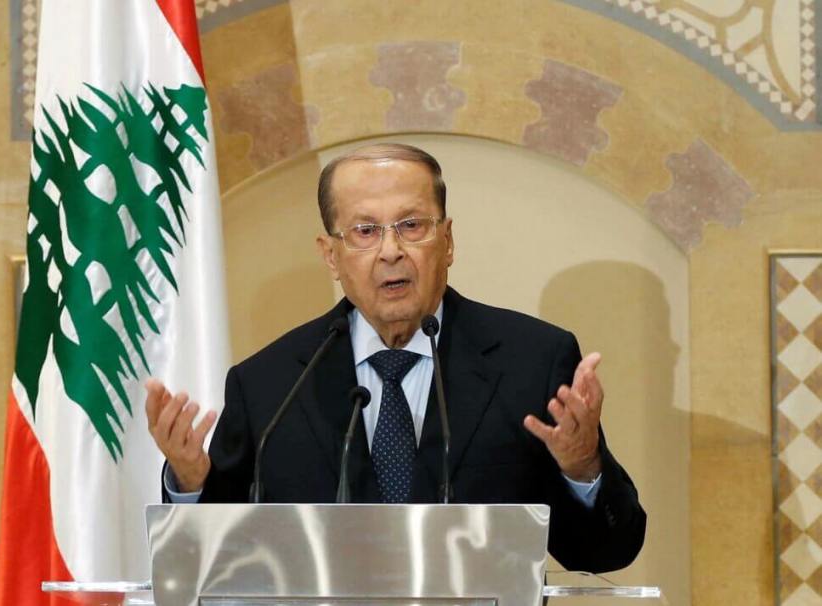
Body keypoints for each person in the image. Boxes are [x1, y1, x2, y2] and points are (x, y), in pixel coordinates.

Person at [145, 143, 646, 572]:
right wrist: (191, 482)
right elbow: (212, 561)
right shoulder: (269, 388)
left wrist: (582, 468)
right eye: (364, 231)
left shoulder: (532, 362)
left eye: (411, 225)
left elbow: (606, 552)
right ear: (329, 255)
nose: (390, 251)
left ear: (447, 241)